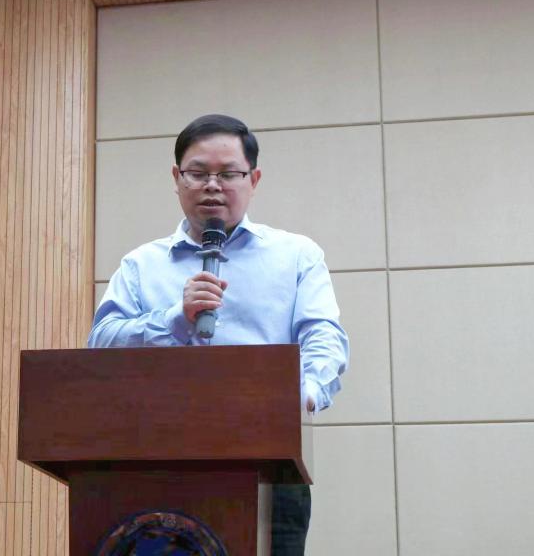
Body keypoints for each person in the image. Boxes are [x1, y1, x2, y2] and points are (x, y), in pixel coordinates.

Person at [87, 113, 349, 555]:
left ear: (253, 179)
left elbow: (323, 336)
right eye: (198, 173)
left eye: (228, 174)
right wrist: (175, 318)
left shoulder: (295, 255)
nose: (213, 185)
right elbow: (101, 346)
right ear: (177, 178)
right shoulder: (141, 265)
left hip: (269, 462)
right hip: (155, 462)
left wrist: (302, 394)